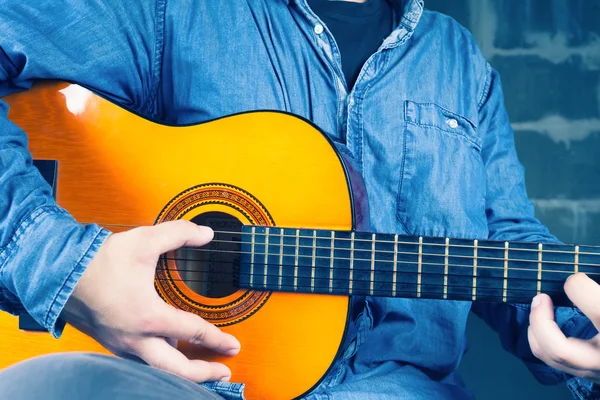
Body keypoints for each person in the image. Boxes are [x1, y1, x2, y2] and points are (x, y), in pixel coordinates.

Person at [0, 0, 598, 399]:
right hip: (185, 385)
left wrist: (583, 328)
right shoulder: (172, 12)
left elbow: (508, 245)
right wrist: (68, 267)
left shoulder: (461, 62)